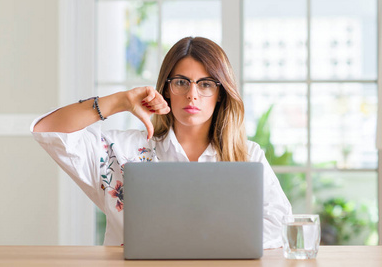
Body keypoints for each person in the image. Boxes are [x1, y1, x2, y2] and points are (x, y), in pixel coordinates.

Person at [31, 36, 292, 249]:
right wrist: (120, 101)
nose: (192, 95)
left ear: (220, 93)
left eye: (205, 84)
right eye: (181, 82)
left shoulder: (247, 156)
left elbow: (281, 225)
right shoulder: (122, 151)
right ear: (166, 89)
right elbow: (48, 130)